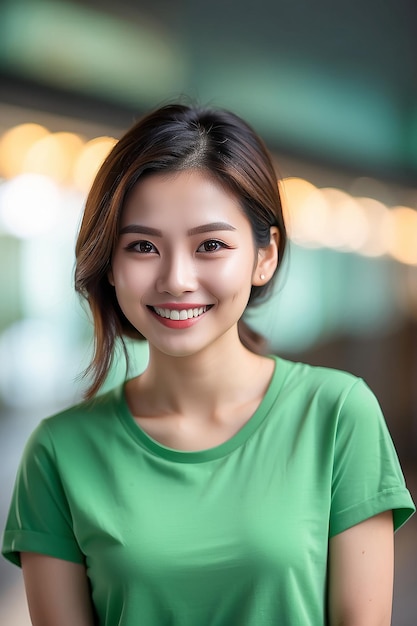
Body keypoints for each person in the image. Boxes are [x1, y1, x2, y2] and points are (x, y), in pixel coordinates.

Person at [2, 103, 415, 626]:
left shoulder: (337, 415)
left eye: (211, 245)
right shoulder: (59, 453)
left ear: (265, 257)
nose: (176, 279)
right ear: (110, 263)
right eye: (143, 246)